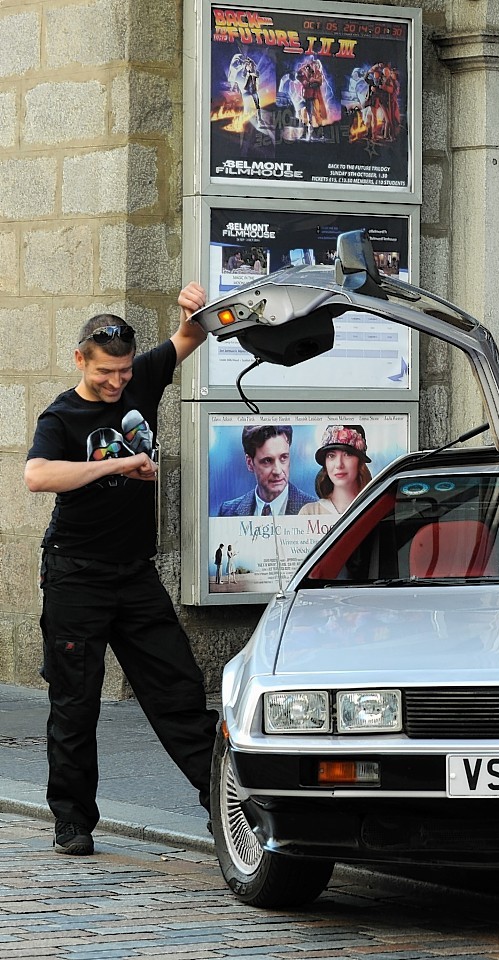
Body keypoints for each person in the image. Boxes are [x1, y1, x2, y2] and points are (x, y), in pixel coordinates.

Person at [25, 284, 219, 856]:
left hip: (134, 574)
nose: (117, 382)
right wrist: (115, 463)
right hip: (74, 574)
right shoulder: (61, 415)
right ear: (80, 359)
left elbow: (190, 337)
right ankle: (73, 820)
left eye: (125, 371)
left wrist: (192, 312)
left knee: (179, 691)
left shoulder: (144, 377)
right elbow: (37, 476)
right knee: (75, 701)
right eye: (107, 372)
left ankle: (227, 809)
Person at [215, 424, 316, 516]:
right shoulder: (227, 511)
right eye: (267, 461)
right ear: (250, 463)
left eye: (283, 458)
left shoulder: (315, 510)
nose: (278, 471)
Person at [299, 424, 373, 517]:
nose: (339, 464)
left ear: (360, 462)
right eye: (331, 456)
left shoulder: (374, 509)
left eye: (348, 454)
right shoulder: (310, 512)